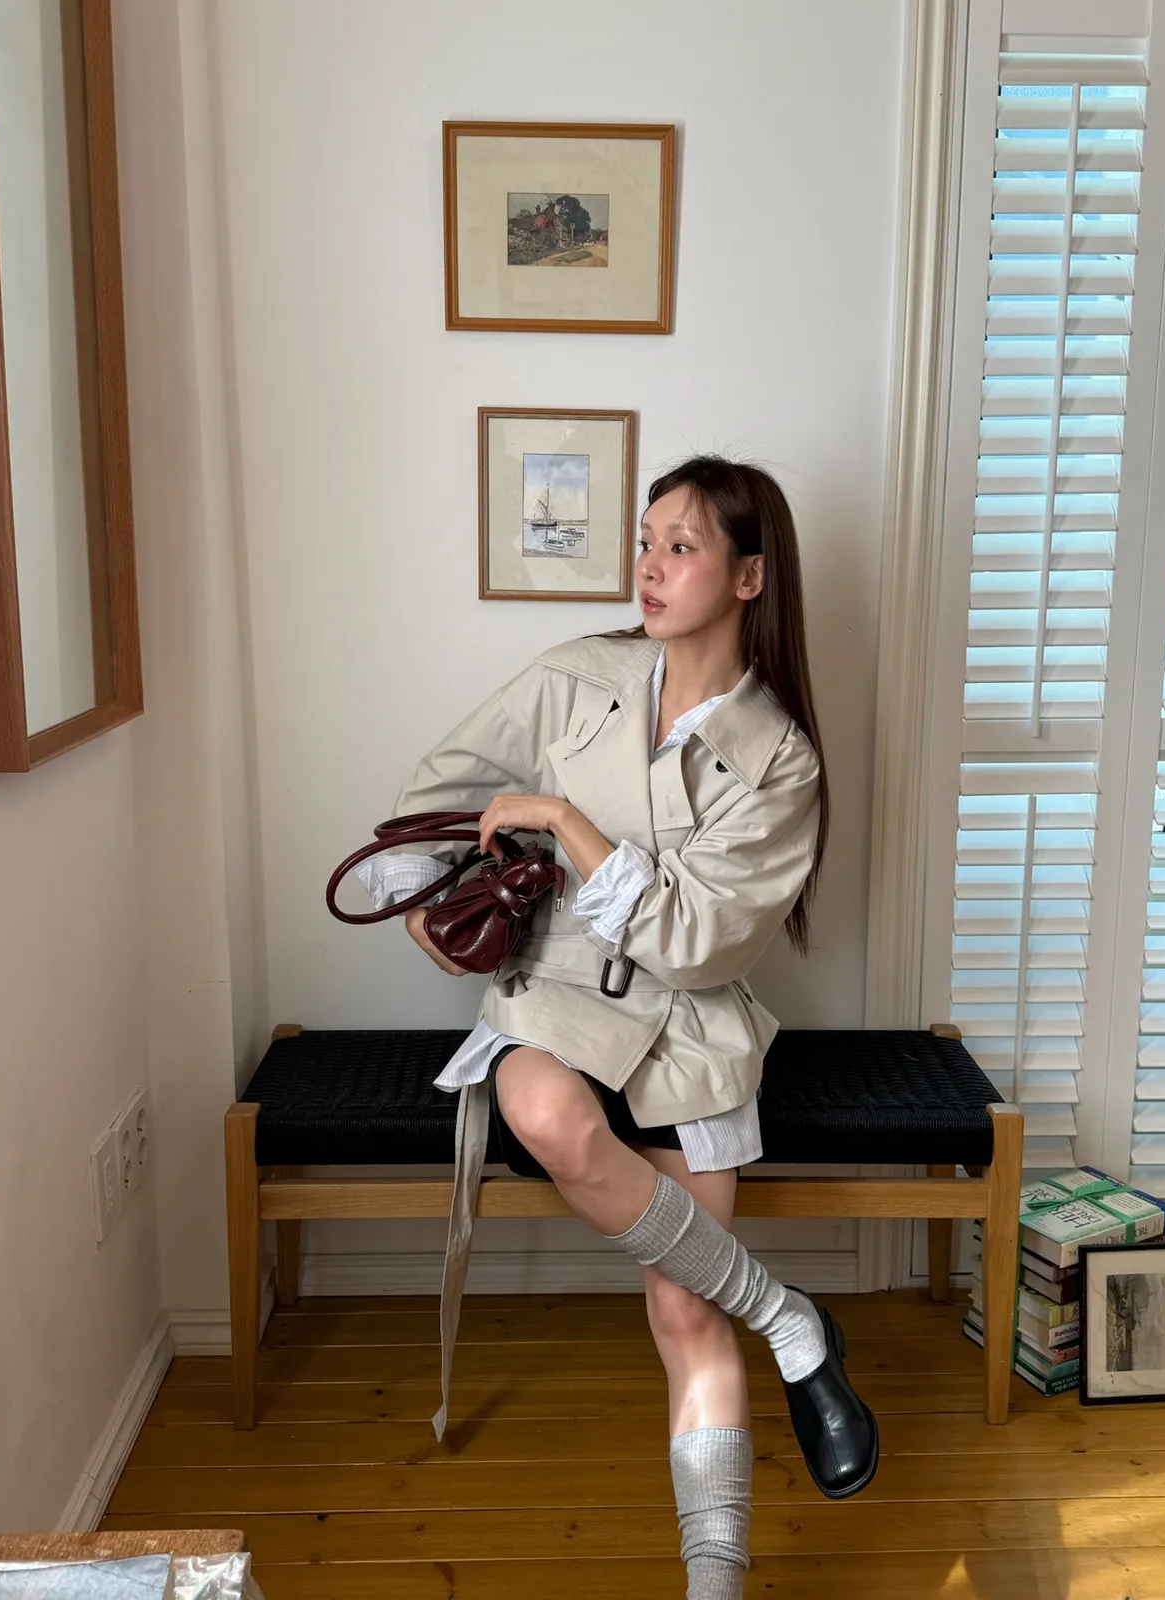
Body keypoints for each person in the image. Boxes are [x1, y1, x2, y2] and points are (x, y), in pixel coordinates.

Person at [356, 454, 878, 1600]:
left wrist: (561, 818)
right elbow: (434, 796)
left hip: (690, 1025)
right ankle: (789, 1314)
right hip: (549, 990)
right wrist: (427, 903)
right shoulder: (575, 676)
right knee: (546, 1112)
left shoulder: (780, 759)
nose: (649, 566)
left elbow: (695, 944)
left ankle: (714, 1583)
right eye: (646, 541)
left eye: (680, 546)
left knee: (685, 1307)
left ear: (748, 577)